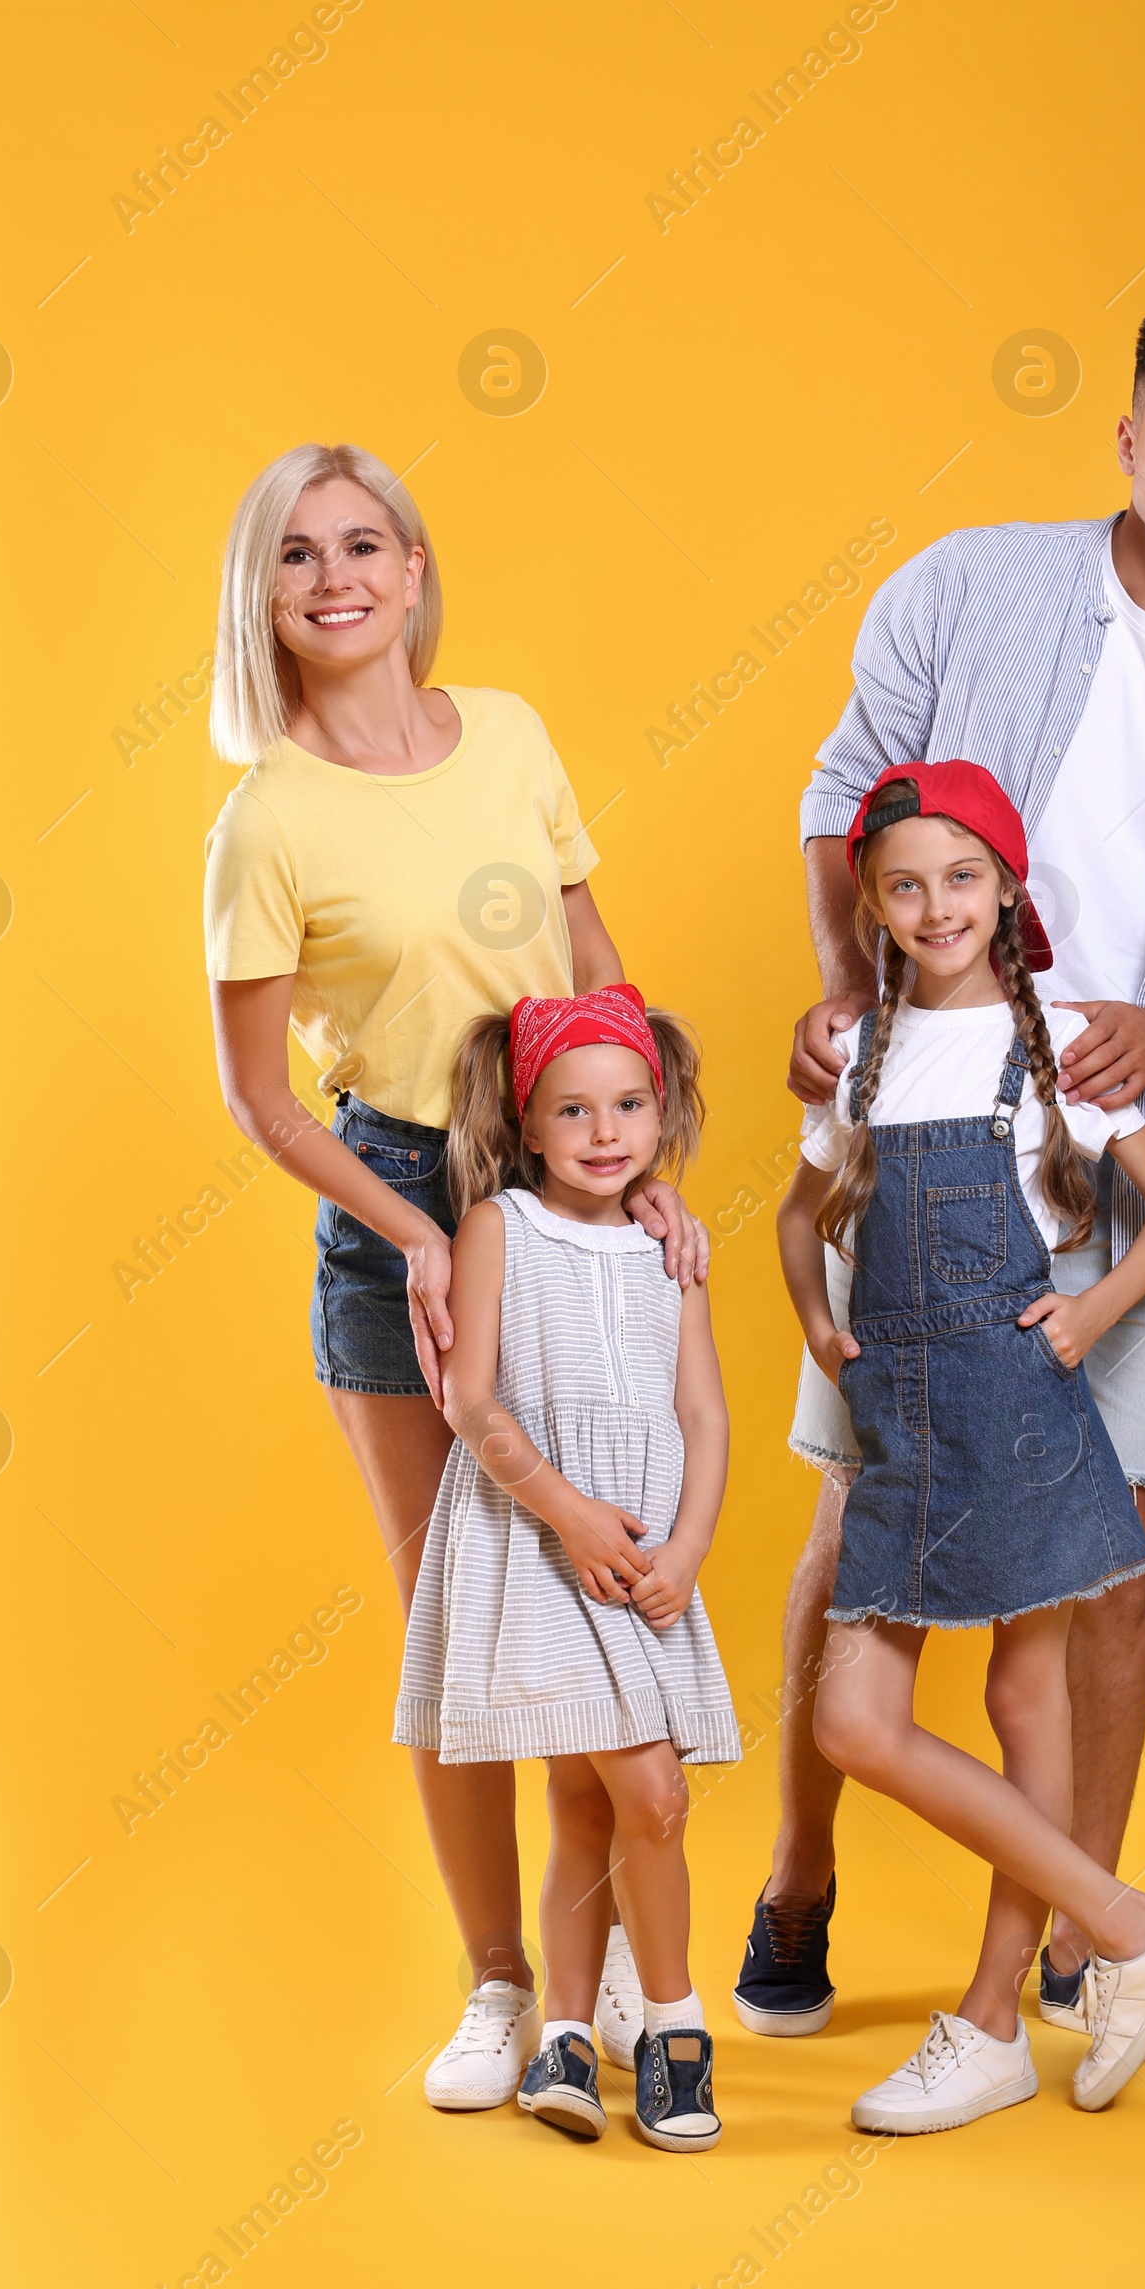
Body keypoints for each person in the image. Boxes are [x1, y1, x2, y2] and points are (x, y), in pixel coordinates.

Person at [734, 301, 1145, 2090]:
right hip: (920, 1149)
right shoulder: (969, 591)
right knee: (852, 1520)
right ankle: (799, 1880)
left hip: (1132, 1171)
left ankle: (1077, 1948)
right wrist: (852, 1002)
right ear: (1125, 436)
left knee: (1106, 1577)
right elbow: (835, 797)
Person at [204, 443, 701, 2113]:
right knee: (464, 1623)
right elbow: (265, 1097)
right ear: (262, 597)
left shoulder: (512, 734)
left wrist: (653, 1175)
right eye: (297, 554)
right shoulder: (265, 815)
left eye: (363, 541)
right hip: (400, 1192)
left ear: (414, 567)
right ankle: (498, 1980)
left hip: (570, 1169)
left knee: (595, 1569)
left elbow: (594, 967)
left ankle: (611, 1968)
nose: (335, 574)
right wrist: (420, 1235)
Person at [778, 760, 1145, 2126]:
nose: (936, 905)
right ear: (872, 905)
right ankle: (1130, 1927)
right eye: (905, 885)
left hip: (1019, 1410)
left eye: (963, 877)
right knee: (856, 1719)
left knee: (1029, 1706)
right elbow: (800, 1221)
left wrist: (1089, 1310)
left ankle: (990, 2022)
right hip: (898, 1422)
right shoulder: (859, 1052)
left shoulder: (1060, 1045)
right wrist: (817, 1324)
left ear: (1007, 888)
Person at [395, 984, 736, 2150]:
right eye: (574, 1110)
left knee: (592, 1805)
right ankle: (680, 2032)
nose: (606, 1133)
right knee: (650, 1791)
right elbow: (471, 1398)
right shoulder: (499, 1227)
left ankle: (571, 2037)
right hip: (541, 1539)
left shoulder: (670, 1247)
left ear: (661, 1109)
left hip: (643, 1554)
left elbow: (702, 1409)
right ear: (527, 1124)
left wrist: (683, 1544)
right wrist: (569, 1516)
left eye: (630, 1104)